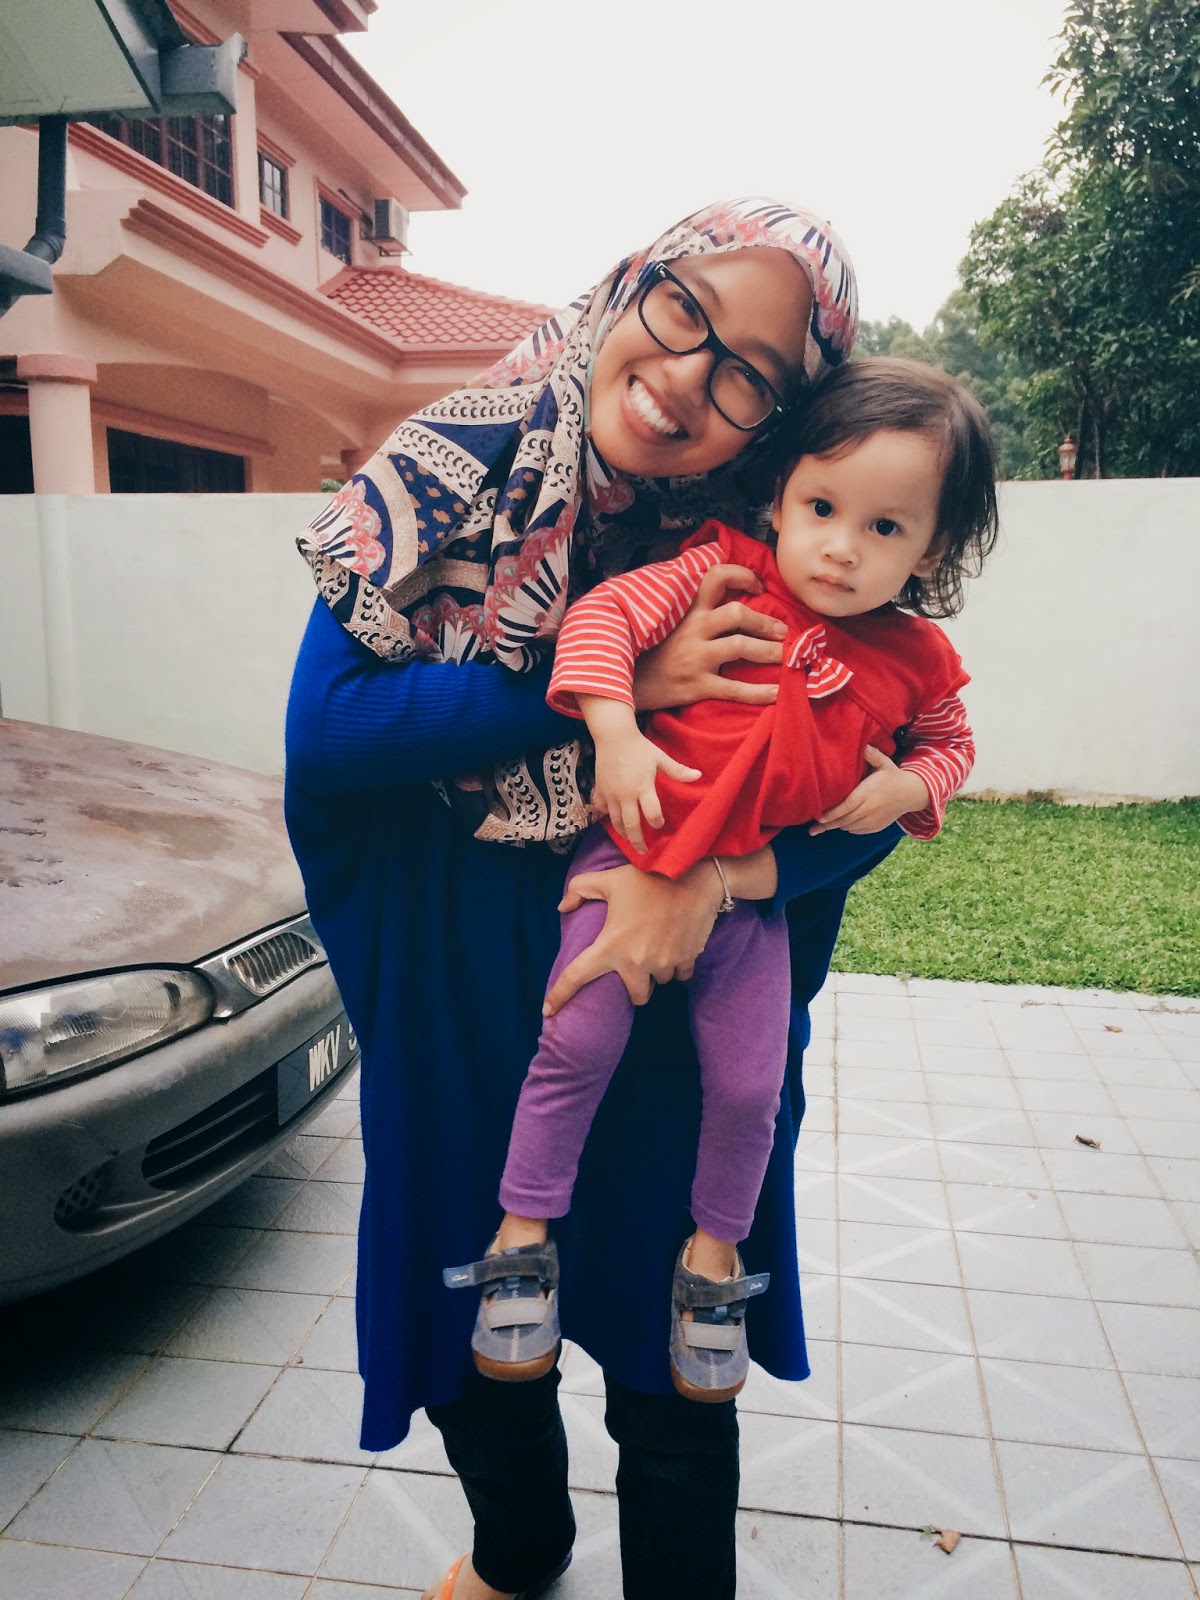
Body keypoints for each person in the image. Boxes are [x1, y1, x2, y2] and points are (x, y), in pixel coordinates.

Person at [285, 199, 899, 1600]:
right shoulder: (455, 463)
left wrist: (725, 879)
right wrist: (605, 686)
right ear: (632, 282)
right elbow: (329, 734)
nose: (686, 377)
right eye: (683, 311)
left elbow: (876, 789)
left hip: (678, 990)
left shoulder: (791, 539)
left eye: (749, 375)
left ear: (783, 421)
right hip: (466, 992)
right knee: (477, 1331)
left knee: (672, 1364)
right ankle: (524, 1551)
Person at [457, 357, 997, 1407]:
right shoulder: (721, 569)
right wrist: (615, 730)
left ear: (931, 548)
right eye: (822, 507)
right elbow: (600, 622)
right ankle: (522, 1234)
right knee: (576, 1037)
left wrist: (909, 787)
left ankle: (713, 1259)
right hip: (627, 857)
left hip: (748, 904)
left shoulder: (918, 659)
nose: (842, 546)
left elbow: (952, 745)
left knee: (753, 1087)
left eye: (886, 527)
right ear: (781, 496)